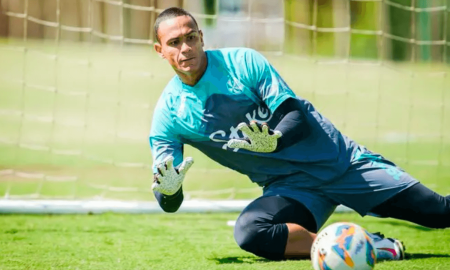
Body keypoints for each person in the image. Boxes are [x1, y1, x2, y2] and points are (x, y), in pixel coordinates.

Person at [149, 7, 450, 261]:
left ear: (201, 38)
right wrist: (170, 190)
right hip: (292, 189)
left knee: (440, 213)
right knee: (251, 232)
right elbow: (168, 202)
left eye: (190, 38)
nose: (185, 48)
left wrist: (274, 141)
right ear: (160, 51)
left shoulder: (242, 62)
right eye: (174, 42)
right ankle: (366, 244)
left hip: (341, 163)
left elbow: (296, 115)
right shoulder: (169, 116)